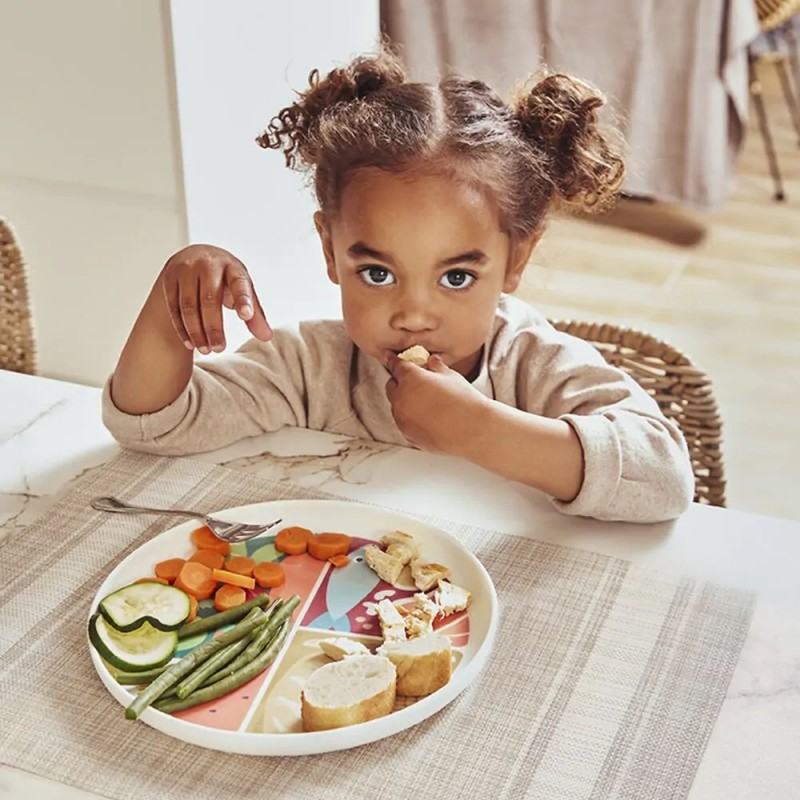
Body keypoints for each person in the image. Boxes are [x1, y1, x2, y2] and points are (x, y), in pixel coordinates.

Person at [102, 49, 694, 523]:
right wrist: (168, 305)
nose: (413, 314)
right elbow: (151, 425)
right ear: (331, 250)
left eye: (456, 277)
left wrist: (480, 431)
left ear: (517, 259)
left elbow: (666, 478)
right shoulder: (309, 369)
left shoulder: (534, 365)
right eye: (377, 274)